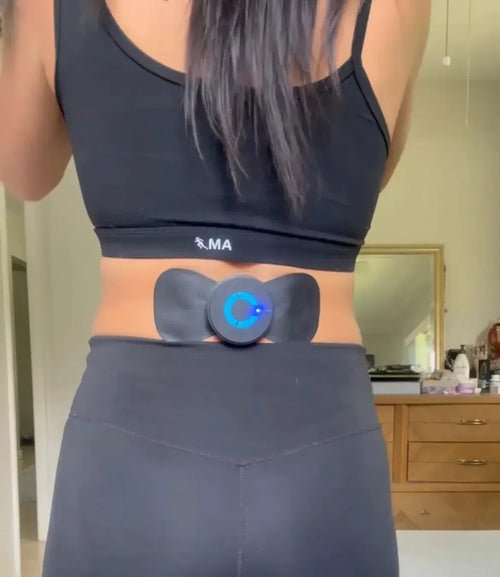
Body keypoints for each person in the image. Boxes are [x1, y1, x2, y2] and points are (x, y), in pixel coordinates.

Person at [0, 0, 430, 575]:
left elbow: (25, 170)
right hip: (325, 446)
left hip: (133, 447)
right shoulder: (404, 7)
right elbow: (370, 173)